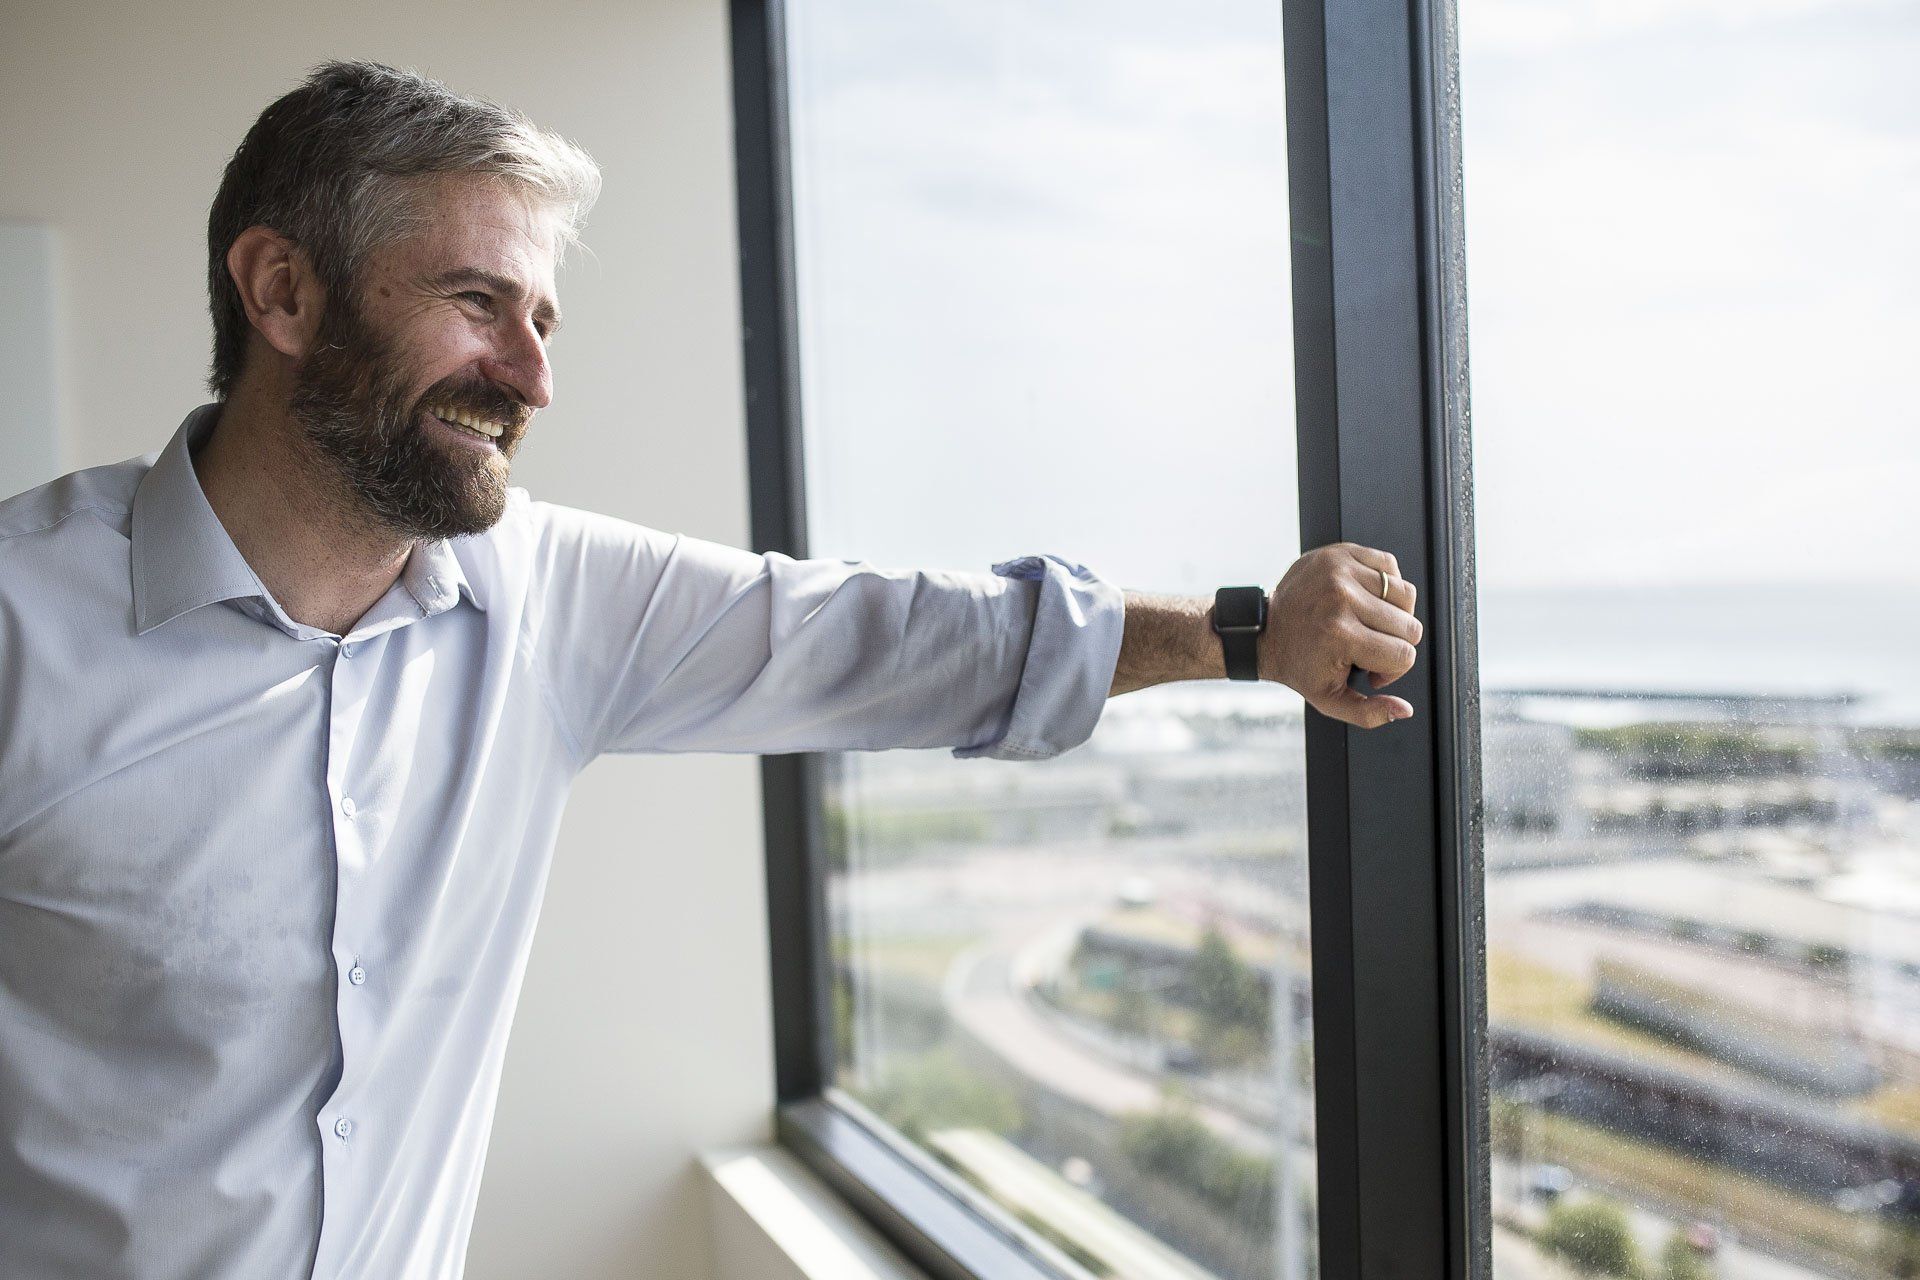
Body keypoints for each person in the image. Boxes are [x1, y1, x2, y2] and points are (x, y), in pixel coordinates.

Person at [0, 60, 1422, 1279]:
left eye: (544, 321)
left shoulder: (547, 600)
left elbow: (896, 638)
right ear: (284, 291)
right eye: (478, 303)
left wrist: (1242, 635)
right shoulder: (20, 626)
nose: (535, 379)